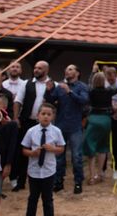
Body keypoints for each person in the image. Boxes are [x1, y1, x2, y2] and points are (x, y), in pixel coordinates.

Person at [44, 64, 88, 194]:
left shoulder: (82, 87)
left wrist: (69, 91)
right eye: (66, 69)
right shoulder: (60, 87)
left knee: (77, 156)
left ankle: (78, 183)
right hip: (60, 126)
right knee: (58, 157)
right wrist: (48, 91)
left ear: (77, 73)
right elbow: (51, 102)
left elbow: (84, 101)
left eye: (70, 69)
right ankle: (58, 182)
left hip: (75, 127)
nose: (67, 71)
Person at [13, 60, 51, 191]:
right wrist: (16, 118)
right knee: (23, 152)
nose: (36, 70)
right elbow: (17, 101)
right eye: (35, 68)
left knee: (44, 152)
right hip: (27, 122)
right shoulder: (26, 83)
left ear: (46, 70)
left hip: (45, 125)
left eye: (39, 68)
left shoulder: (53, 84)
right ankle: (21, 181)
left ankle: (43, 181)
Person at [21, 103, 65, 216]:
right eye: (43, 114)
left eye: (49, 114)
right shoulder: (31, 131)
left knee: (48, 200)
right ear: (38, 115)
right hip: (34, 171)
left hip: (49, 171)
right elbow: (24, 149)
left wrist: (53, 148)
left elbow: (61, 148)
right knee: (32, 199)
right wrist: (33, 153)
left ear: (53, 116)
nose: (46, 116)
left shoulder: (56, 131)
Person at [82, 71, 117, 184]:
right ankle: (100, 174)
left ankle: (92, 176)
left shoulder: (90, 91)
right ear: (104, 81)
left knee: (90, 147)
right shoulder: (109, 91)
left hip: (93, 119)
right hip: (106, 120)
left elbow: (88, 83)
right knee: (103, 146)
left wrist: (92, 72)